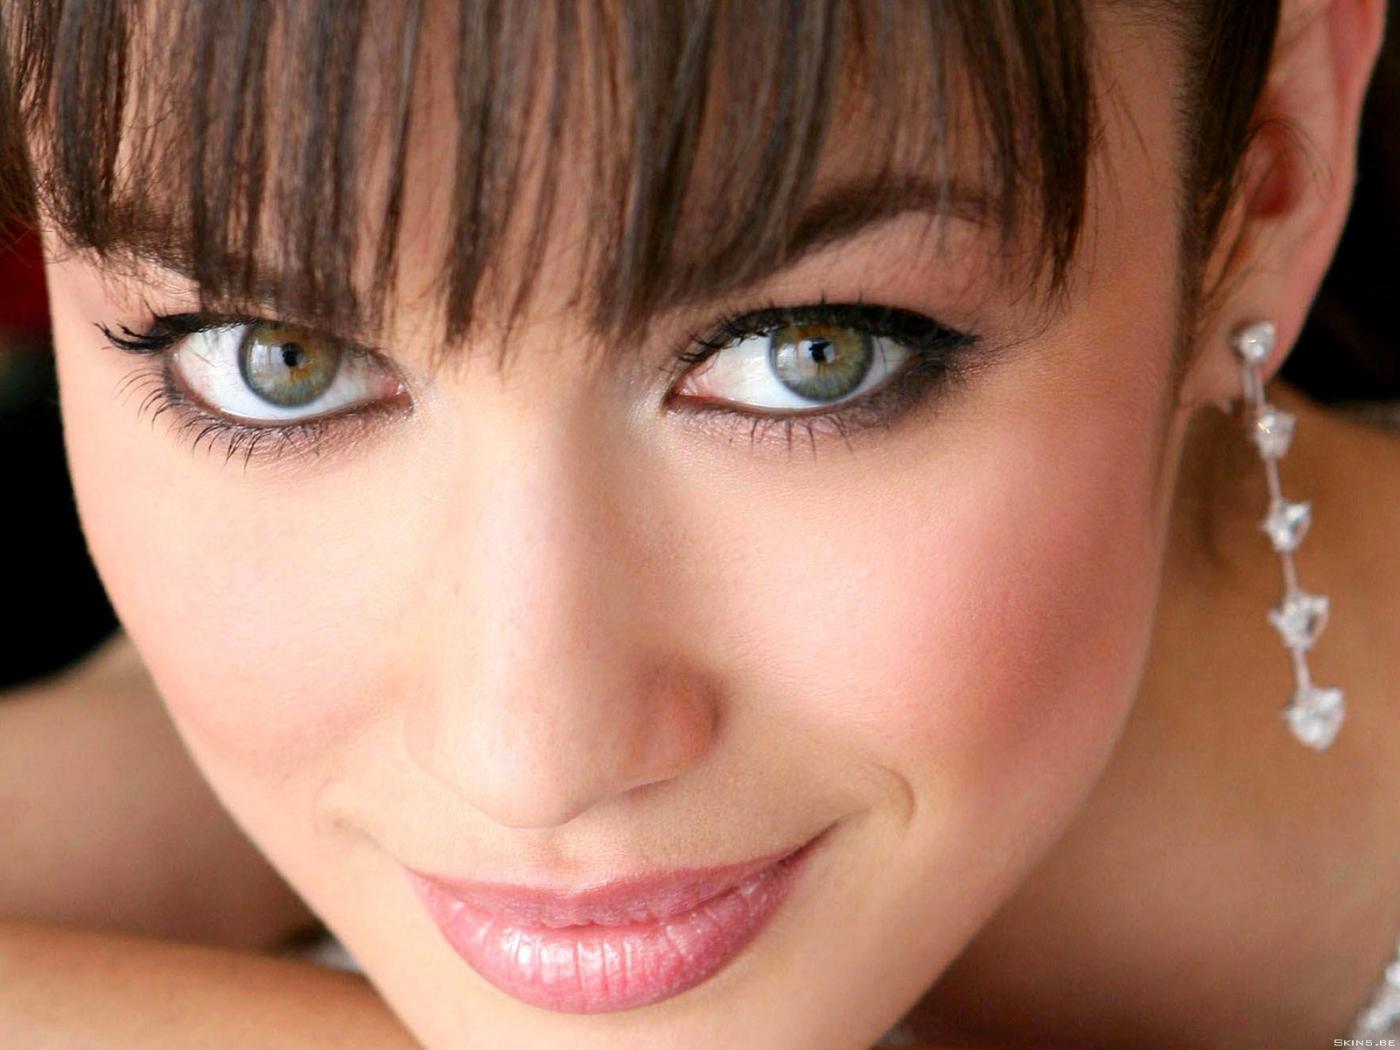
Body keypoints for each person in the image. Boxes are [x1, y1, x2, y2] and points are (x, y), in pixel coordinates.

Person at [0, 0, 1396, 1047]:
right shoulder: (227, 728)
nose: (527, 761)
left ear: (1263, 185)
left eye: (812, 355)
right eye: (275, 362)